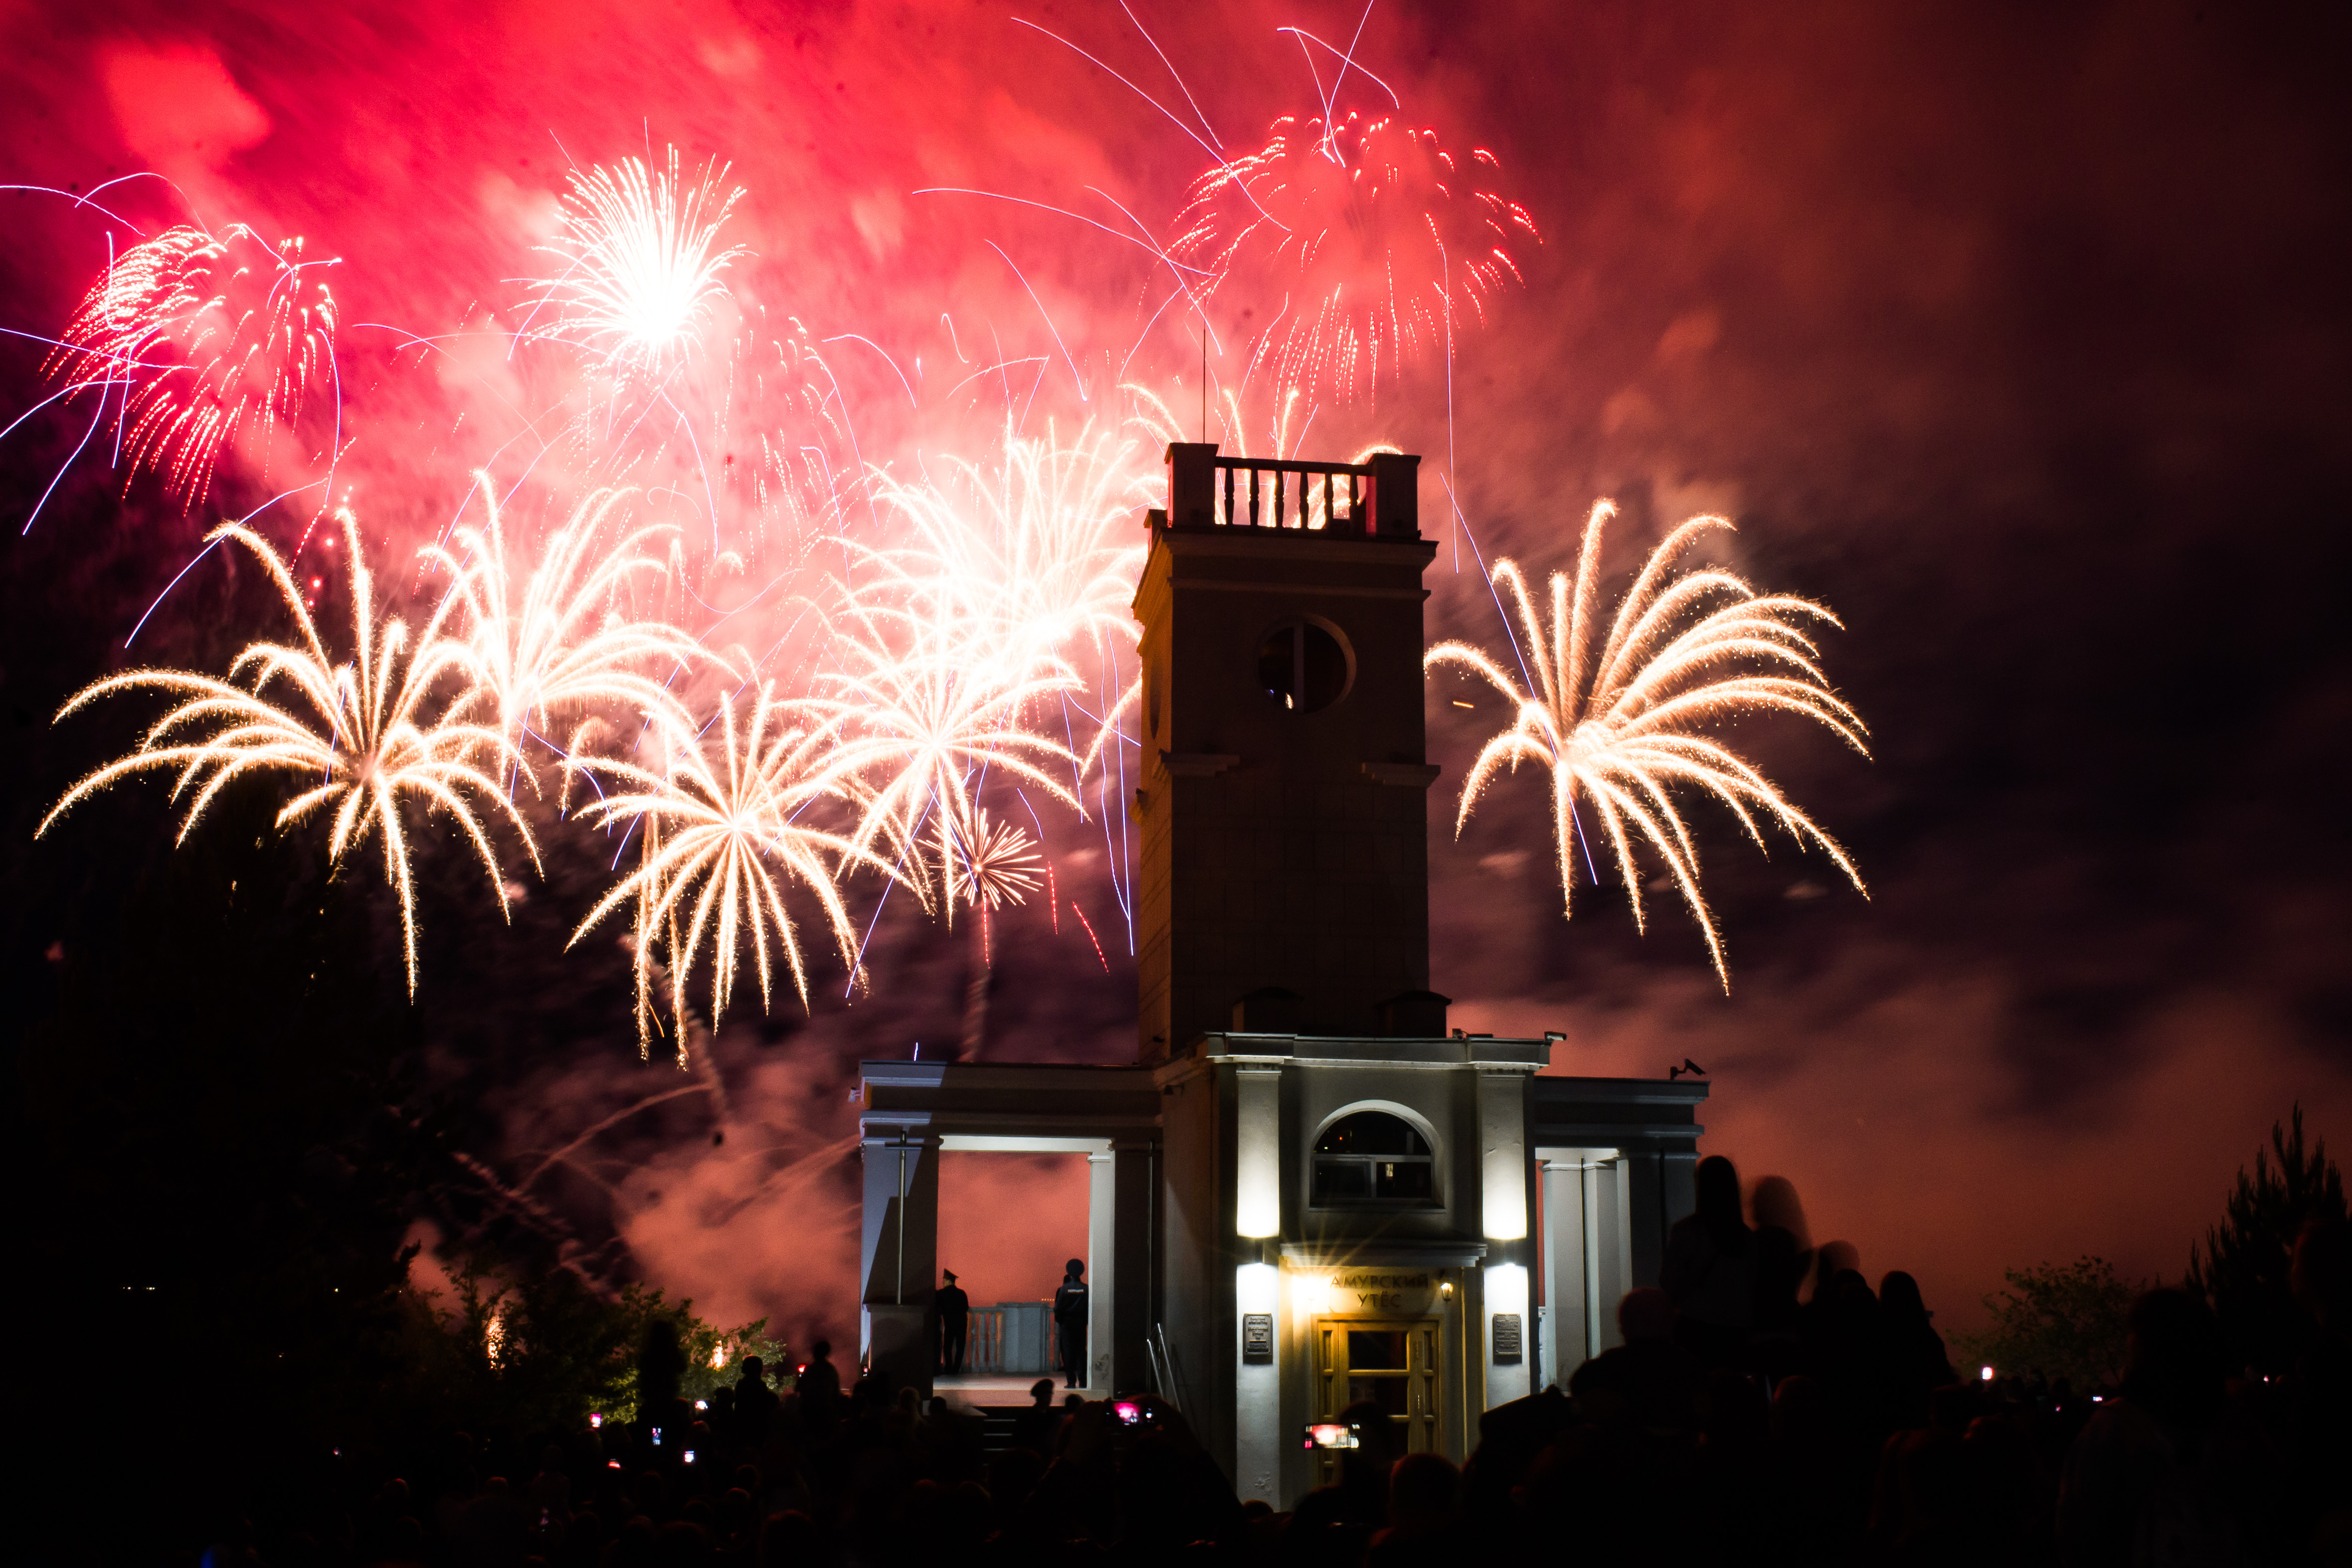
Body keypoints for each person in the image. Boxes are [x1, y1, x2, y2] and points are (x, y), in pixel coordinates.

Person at [1660, 1154, 1756, 1368]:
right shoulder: (1746, 1237)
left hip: (1695, 1329)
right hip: (1736, 1333)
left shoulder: (1686, 1232)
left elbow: (1669, 1283)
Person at [1053, 1258, 1088, 1390]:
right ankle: (1083, 1382)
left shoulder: (1063, 1289)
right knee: (1081, 1353)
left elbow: (1058, 1309)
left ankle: (1071, 1382)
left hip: (1067, 1325)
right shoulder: (1086, 1289)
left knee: (1068, 1353)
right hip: (1080, 1325)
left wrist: (1061, 1321)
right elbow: (1088, 1308)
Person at [795, 1339, 842, 1434]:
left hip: (809, 1413)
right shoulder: (831, 1371)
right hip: (826, 1413)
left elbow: (798, 1388)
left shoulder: (810, 1370)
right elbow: (836, 1394)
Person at [936, 1268, 970, 1376]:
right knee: (960, 1347)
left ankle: (949, 1368)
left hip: (949, 1323)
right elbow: (966, 1308)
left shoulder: (941, 1294)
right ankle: (956, 1369)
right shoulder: (961, 1293)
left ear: (947, 1281)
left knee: (947, 1346)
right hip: (962, 1323)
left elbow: (938, 1308)